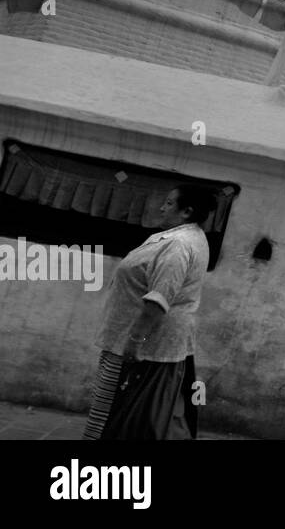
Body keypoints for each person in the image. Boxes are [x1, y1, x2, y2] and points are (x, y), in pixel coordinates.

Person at [84, 185, 215, 440]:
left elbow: (159, 298)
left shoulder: (179, 244)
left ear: (186, 211)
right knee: (123, 410)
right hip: (140, 340)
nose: (161, 208)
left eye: (168, 203)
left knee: (109, 410)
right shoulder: (180, 237)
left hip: (140, 343)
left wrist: (135, 341)